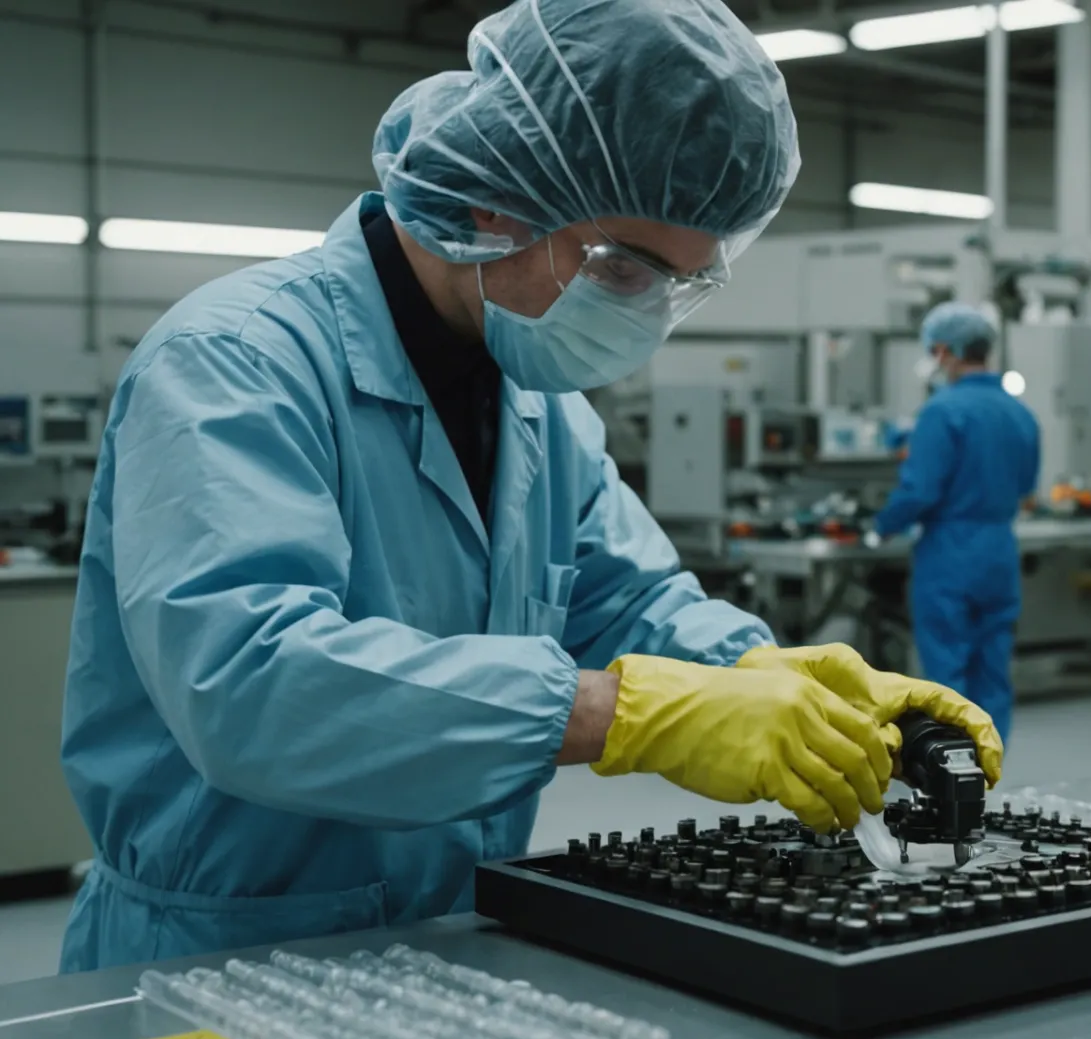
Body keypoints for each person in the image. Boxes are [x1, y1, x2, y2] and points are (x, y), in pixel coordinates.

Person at [57, 0, 999, 973]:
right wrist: (613, 715)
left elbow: (629, 600)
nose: (644, 316)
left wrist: (767, 672)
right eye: (629, 271)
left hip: (449, 945)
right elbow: (251, 685)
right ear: (501, 202)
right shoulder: (236, 361)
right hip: (215, 957)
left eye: (683, 283)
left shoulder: (540, 401)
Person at [867, 304, 1040, 742]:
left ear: (944, 351)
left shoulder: (942, 412)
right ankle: (989, 772)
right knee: (993, 673)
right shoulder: (1020, 414)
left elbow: (920, 491)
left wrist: (880, 526)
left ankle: (951, 778)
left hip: (949, 554)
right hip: (1000, 552)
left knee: (947, 674)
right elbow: (1026, 487)